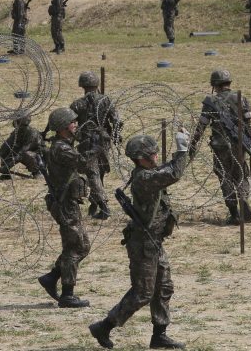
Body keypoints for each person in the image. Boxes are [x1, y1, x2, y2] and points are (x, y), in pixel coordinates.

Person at [89, 132, 189, 350]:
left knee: (164, 287)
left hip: (154, 242)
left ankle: (159, 335)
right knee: (142, 293)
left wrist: (186, 149)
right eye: (151, 154)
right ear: (140, 158)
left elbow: (170, 169)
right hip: (143, 244)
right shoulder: (144, 178)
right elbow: (173, 173)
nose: (155, 156)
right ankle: (104, 327)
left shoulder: (150, 172)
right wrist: (182, 151)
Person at [37, 107, 91, 308]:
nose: (76, 124)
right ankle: (67, 294)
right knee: (75, 247)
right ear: (61, 127)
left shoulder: (64, 145)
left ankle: (51, 277)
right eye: (72, 122)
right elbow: (83, 164)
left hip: (67, 202)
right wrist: (93, 147)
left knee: (81, 245)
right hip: (64, 204)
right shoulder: (62, 148)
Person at [188, 69, 251, 225]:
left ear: (214, 85)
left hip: (220, 146)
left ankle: (234, 212)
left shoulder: (211, 102)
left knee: (224, 176)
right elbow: (248, 124)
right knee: (241, 174)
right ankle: (243, 198)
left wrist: (193, 144)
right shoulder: (241, 99)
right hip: (239, 144)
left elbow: (202, 125)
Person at [70, 71, 122, 220]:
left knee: (93, 173)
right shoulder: (106, 101)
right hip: (104, 140)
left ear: (82, 85)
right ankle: (94, 204)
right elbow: (117, 120)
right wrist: (117, 136)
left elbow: (68, 122)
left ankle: (104, 207)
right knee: (99, 172)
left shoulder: (78, 104)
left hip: (88, 142)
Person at [0, 115, 44, 180]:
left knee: (28, 154)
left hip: (37, 156)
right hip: (22, 153)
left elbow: (22, 153)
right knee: (7, 151)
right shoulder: (17, 132)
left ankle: (37, 172)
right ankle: (6, 175)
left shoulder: (32, 133)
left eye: (17, 121)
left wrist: (7, 166)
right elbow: (4, 148)